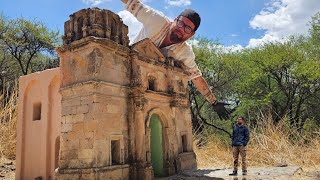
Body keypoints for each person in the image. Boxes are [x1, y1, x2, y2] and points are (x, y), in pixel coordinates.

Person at [120, 0, 230, 119]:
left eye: (187, 29)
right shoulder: (157, 20)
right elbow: (132, 2)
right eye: (181, 23)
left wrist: (214, 102)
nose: (181, 29)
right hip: (123, 66)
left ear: (191, 35)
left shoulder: (185, 53)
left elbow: (196, 77)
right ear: (175, 20)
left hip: (144, 88)